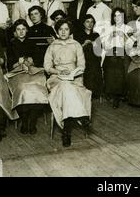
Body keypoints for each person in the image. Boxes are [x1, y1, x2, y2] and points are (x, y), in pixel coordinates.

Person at [44, 19, 92, 147]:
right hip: (56, 78)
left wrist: (73, 73)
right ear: (57, 31)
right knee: (65, 86)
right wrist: (58, 72)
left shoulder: (76, 45)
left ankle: (66, 131)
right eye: (60, 29)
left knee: (67, 87)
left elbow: (82, 65)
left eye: (66, 29)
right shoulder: (52, 46)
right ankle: (82, 116)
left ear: (70, 31)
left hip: (75, 78)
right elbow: (47, 66)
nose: (63, 32)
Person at [6, 19, 49, 135]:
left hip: (33, 72)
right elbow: (8, 64)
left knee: (37, 88)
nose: (21, 32)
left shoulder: (32, 43)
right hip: (17, 73)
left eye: (23, 29)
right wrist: (17, 63)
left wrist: (32, 61)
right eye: (18, 29)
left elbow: (39, 60)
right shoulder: (11, 44)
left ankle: (32, 121)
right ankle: (25, 121)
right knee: (23, 88)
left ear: (27, 30)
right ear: (15, 32)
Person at [101, 8, 134, 109]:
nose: (116, 18)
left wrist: (123, 36)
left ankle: (117, 94)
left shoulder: (128, 29)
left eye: (119, 15)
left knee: (118, 62)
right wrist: (111, 36)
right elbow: (105, 46)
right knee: (112, 60)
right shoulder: (109, 29)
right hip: (111, 52)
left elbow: (130, 45)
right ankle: (115, 94)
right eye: (115, 16)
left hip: (124, 52)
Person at [74, 15, 103, 101]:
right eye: (87, 21)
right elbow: (75, 49)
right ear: (83, 23)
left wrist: (94, 43)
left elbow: (99, 50)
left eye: (92, 22)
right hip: (82, 58)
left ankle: (94, 93)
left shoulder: (96, 35)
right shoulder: (79, 35)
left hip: (93, 59)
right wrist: (84, 44)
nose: (90, 24)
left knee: (94, 64)